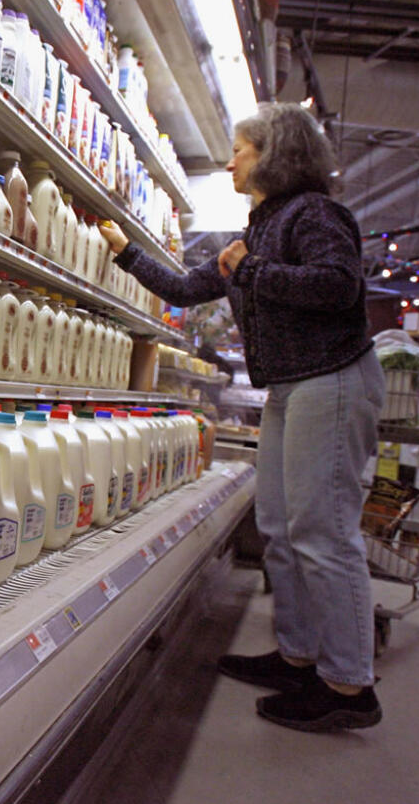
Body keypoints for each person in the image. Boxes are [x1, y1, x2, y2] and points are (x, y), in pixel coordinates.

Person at [98, 103, 385, 732]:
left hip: (331, 380)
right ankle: (298, 655)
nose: (230, 161)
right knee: (282, 527)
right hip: (292, 387)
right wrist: (122, 250)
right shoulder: (258, 228)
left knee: (323, 531)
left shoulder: (315, 215)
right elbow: (180, 288)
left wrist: (249, 270)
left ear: (274, 154)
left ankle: (348, 684)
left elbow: (339, 285)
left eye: (241, 149)